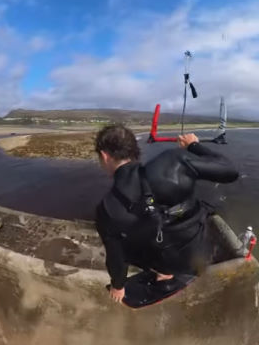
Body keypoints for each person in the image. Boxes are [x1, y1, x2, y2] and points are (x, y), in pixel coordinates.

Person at [93, 124, 239, 303]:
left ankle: (164, 273)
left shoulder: (107, 207)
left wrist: (118, 286)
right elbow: (230, 171)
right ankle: (169, 271)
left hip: (167, 261)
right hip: (199, 250)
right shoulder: (173, 162)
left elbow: (116, 258)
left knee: (120, 240)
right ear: (134, 150)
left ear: (104, 156)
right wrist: (194, 146)